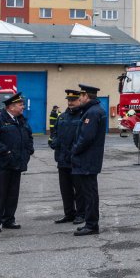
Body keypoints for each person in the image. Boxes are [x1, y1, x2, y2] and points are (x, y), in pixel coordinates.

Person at [0, 92, 34, 234]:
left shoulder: (21, 120)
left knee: (13, 193)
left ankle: (8, 220)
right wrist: (6, 152)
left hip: (17, 163)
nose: (23, 107)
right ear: (11, 107)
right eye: (20, 105)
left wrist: (29, 150)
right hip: (1, 165)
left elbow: (28, 136)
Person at [70, 84, 106, 236]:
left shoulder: (92, 112)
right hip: (89, 159)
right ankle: (90, 222)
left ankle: (92, 225)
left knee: (90, 193)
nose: (79, 99)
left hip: (87, 159)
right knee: (88, 192)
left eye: (80, 96)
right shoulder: (93, 110)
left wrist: (74, 150)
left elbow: (86, 137)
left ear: (86, 96)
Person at [49, 90, 84, 225]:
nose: (70, 103)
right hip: (62, 159)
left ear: (79, 100)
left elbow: (83, 137)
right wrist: (54, 142)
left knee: (79, 189)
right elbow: (55, 132)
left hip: (76, 159)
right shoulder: (62, 116)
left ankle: (81, 214)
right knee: (65, 189)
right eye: (68, 100)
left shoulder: (82, 116)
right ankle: (69, 213)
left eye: (73, 100)